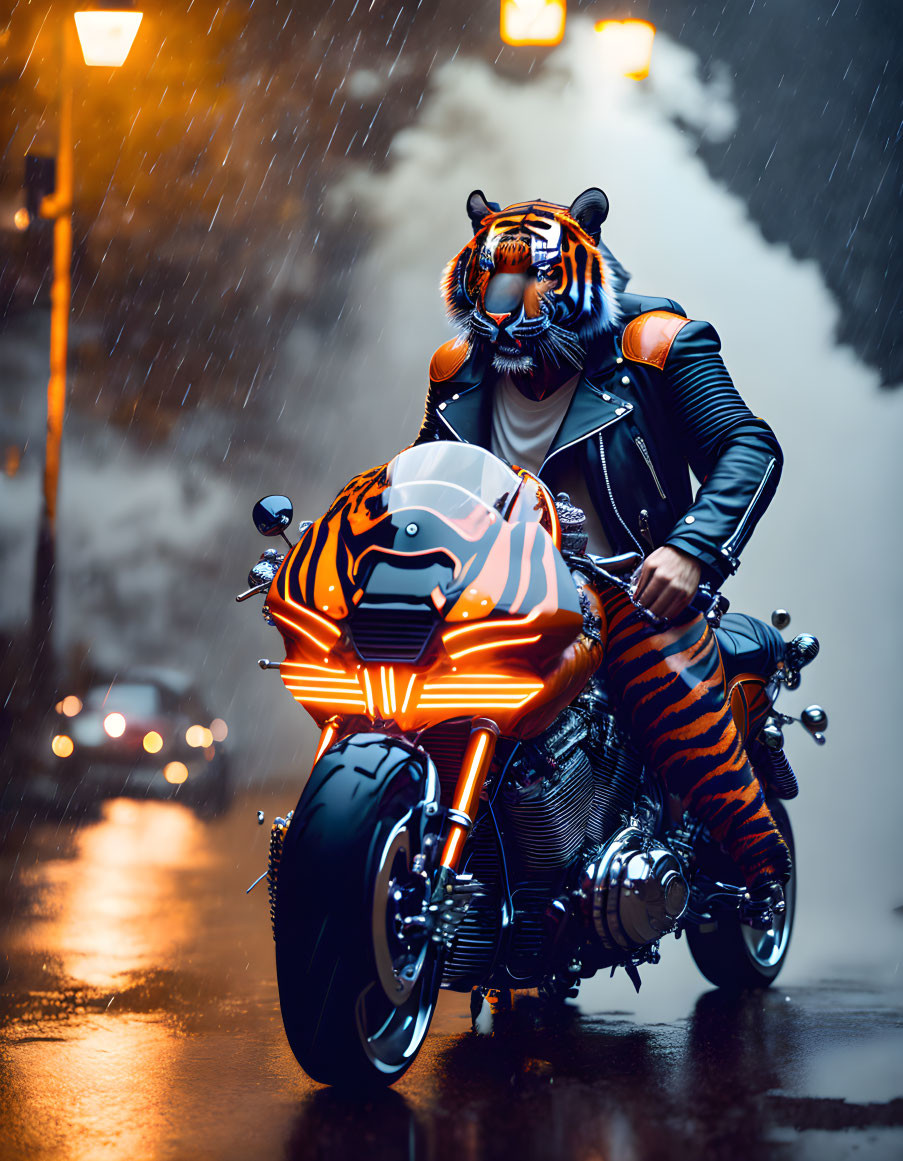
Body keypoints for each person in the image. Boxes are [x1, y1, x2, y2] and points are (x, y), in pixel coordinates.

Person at [415, 188, 791, 915]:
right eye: (495, 281)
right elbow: (426, 481)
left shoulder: (653, 342)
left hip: (622, 584)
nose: (511, 303)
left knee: (671, 705)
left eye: (542, 277)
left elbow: (748, 446)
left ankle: (758, 863)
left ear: (585, 266)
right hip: (495, 589)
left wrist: (689, 551)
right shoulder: (456, 367)